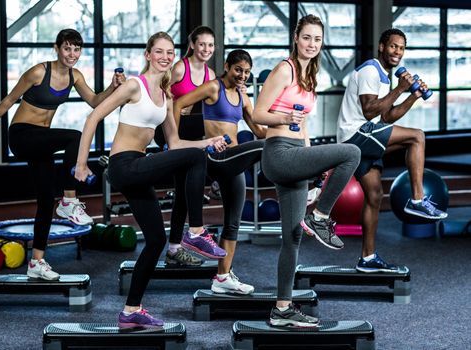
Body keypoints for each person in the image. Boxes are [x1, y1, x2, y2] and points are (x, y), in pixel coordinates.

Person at [73, 31, 228, 328]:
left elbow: (177, 144)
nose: (166, 57)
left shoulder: (167, 96)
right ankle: (195, 231)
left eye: (170, 52)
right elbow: (93, 117)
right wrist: (81, 164)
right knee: (194, 161)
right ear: (148, 55)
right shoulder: (134, 85)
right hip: (123, 165)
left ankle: (131, 310)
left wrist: (209, 140)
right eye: (159, 51)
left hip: (140, 166)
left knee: (156, 239)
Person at [0, 29, 125, 281]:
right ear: (56, 48)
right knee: (74, 137)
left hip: (41, 142)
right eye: (67, 48)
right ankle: (69, 200)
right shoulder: (38, 72)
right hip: (22, 135)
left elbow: (94, 101)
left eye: (76, 49)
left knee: (46, 201)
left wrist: (112, 87)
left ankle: (36, 261)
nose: (72, 54)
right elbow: (9, 99)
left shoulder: (74, 76)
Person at [252, 14, 361, 327]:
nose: (312, 44)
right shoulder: (284, 69)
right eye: (307, 37)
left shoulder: (310, 75)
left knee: (292, 237)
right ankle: (322, 215)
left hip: (297, 155)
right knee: (351, 152)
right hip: (278, 153)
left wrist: (313, 161)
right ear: (296, 38)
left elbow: (305, 124)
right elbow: (260, 113)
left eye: (317, 39)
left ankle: (282, 309)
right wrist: (285, 119)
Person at [337, 28, 448, 273]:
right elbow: (369, 111)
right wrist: (400, 89)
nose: (397, 51)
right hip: (356, 135)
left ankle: (367, 258)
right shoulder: (370, 70)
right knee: (417, 137)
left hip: (368, 135)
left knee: (375, 196)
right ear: (381, 47)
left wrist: (413, 96)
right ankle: (417, 200)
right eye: (393, 46)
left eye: (401, 47)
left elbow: (386, 116)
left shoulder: (385, 78)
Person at [170, 49, 267, 294]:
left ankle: (222, 277)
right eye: (238, 70)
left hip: (233, 161)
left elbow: (259, 131)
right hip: (216, 156)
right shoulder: (214, 87)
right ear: (227, 66)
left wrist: (287, 125)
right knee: (265, 148)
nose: (242, 75)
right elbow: (179, 102)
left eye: (246, 72)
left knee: (233, 222)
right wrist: (175, 141)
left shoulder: (243, 96)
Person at [161, 26, 219, 267]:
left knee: (185, 193)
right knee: (183, 190)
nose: (206, 49)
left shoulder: (210, 74)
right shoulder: (179, 68)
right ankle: (186, 237)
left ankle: (175, 247)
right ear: (193, 44)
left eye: (211, 45)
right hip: (169, 128)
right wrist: (172, 103)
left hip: (191, 132)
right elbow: (159, 89)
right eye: (202, 44)